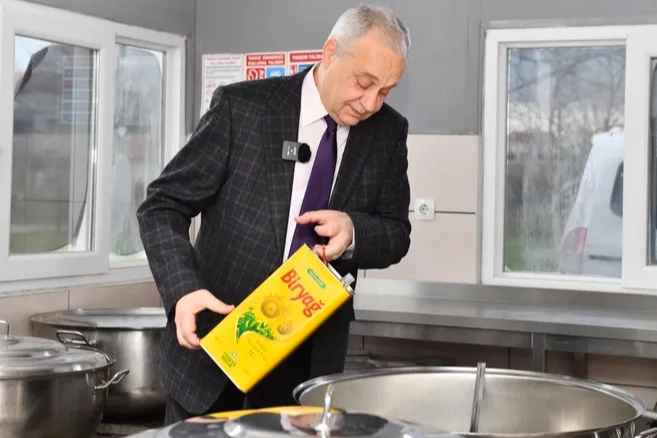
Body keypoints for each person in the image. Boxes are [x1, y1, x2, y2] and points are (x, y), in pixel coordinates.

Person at [136, 4, 412, 426]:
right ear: (330, 53)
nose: (371, 103)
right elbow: (162, 204)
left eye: (386, 91)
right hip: (215, 346)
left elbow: (396, 233)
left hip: (306, 363)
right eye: (364, 83)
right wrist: (182, 291)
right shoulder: (242, 108)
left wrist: (354, 230)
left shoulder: (388, 132)